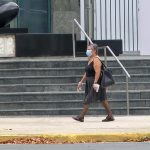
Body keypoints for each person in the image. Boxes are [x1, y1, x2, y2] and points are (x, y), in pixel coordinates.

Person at [72, 43, 114, 122]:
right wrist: (81, 82)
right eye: (87, 49)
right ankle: (110, 116)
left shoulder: (96, 59)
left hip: (96, 82)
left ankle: (81, 116)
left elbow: (98, 72)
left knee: (88, 98)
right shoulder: (90, 59)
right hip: (90, 81)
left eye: (89, 49)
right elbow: (87, 73)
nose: (87, 51)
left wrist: (95, 83)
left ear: (94, 50)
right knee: (103, 99)